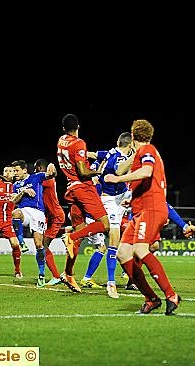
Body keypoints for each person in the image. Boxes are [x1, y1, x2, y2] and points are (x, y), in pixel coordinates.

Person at [104, 119, 181, 315]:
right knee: (123, 253)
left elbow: (145, 172)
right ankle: (151, 298)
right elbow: (121, 169)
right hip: (140, 210)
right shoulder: (142, 152)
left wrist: (118, 179)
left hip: (152, 209)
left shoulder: (148, 151)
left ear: (133, 136)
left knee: (140, 249)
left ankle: (171, 295)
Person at [56, 113, 110, 293]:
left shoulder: (61, 140)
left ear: (64, 129)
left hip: (71, 188)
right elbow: (82, 170)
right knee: (104, 224)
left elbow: (73, 160)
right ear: (78, 126)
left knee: (78, 235)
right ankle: (70, 237)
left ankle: (68, 273)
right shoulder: (79, 143)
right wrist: (97, 172)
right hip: (83, 187)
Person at [79, 132, 134, 299]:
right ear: (130, 145)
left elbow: (93, 154)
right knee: (113, 239)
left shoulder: (109, 152)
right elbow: (118, 171)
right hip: (110, 200)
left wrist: (79, 155)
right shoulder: (119, 157)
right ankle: (111, 283)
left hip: (123, 195)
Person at [11, 159, 57, 287]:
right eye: (14, 171)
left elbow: (49, 175)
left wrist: (52, 170)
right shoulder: (16, 185)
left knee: (39, 245)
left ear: (24, 170)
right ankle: (21, 243)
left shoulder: (36, 177)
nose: (15, 173)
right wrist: (23, 191)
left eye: (17, 170)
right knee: (15, 213)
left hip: (38, 213)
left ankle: (41, 275)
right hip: (24, 211)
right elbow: (14, 201)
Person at [33, 158, 65, 286]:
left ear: (40, 169)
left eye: (36, 169)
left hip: (56, 217)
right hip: (49, 217)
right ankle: (60, 274)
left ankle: (57, 276)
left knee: (43, 246)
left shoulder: (48, 180)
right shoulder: (45, 180)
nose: (35, 172)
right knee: (41, 246)